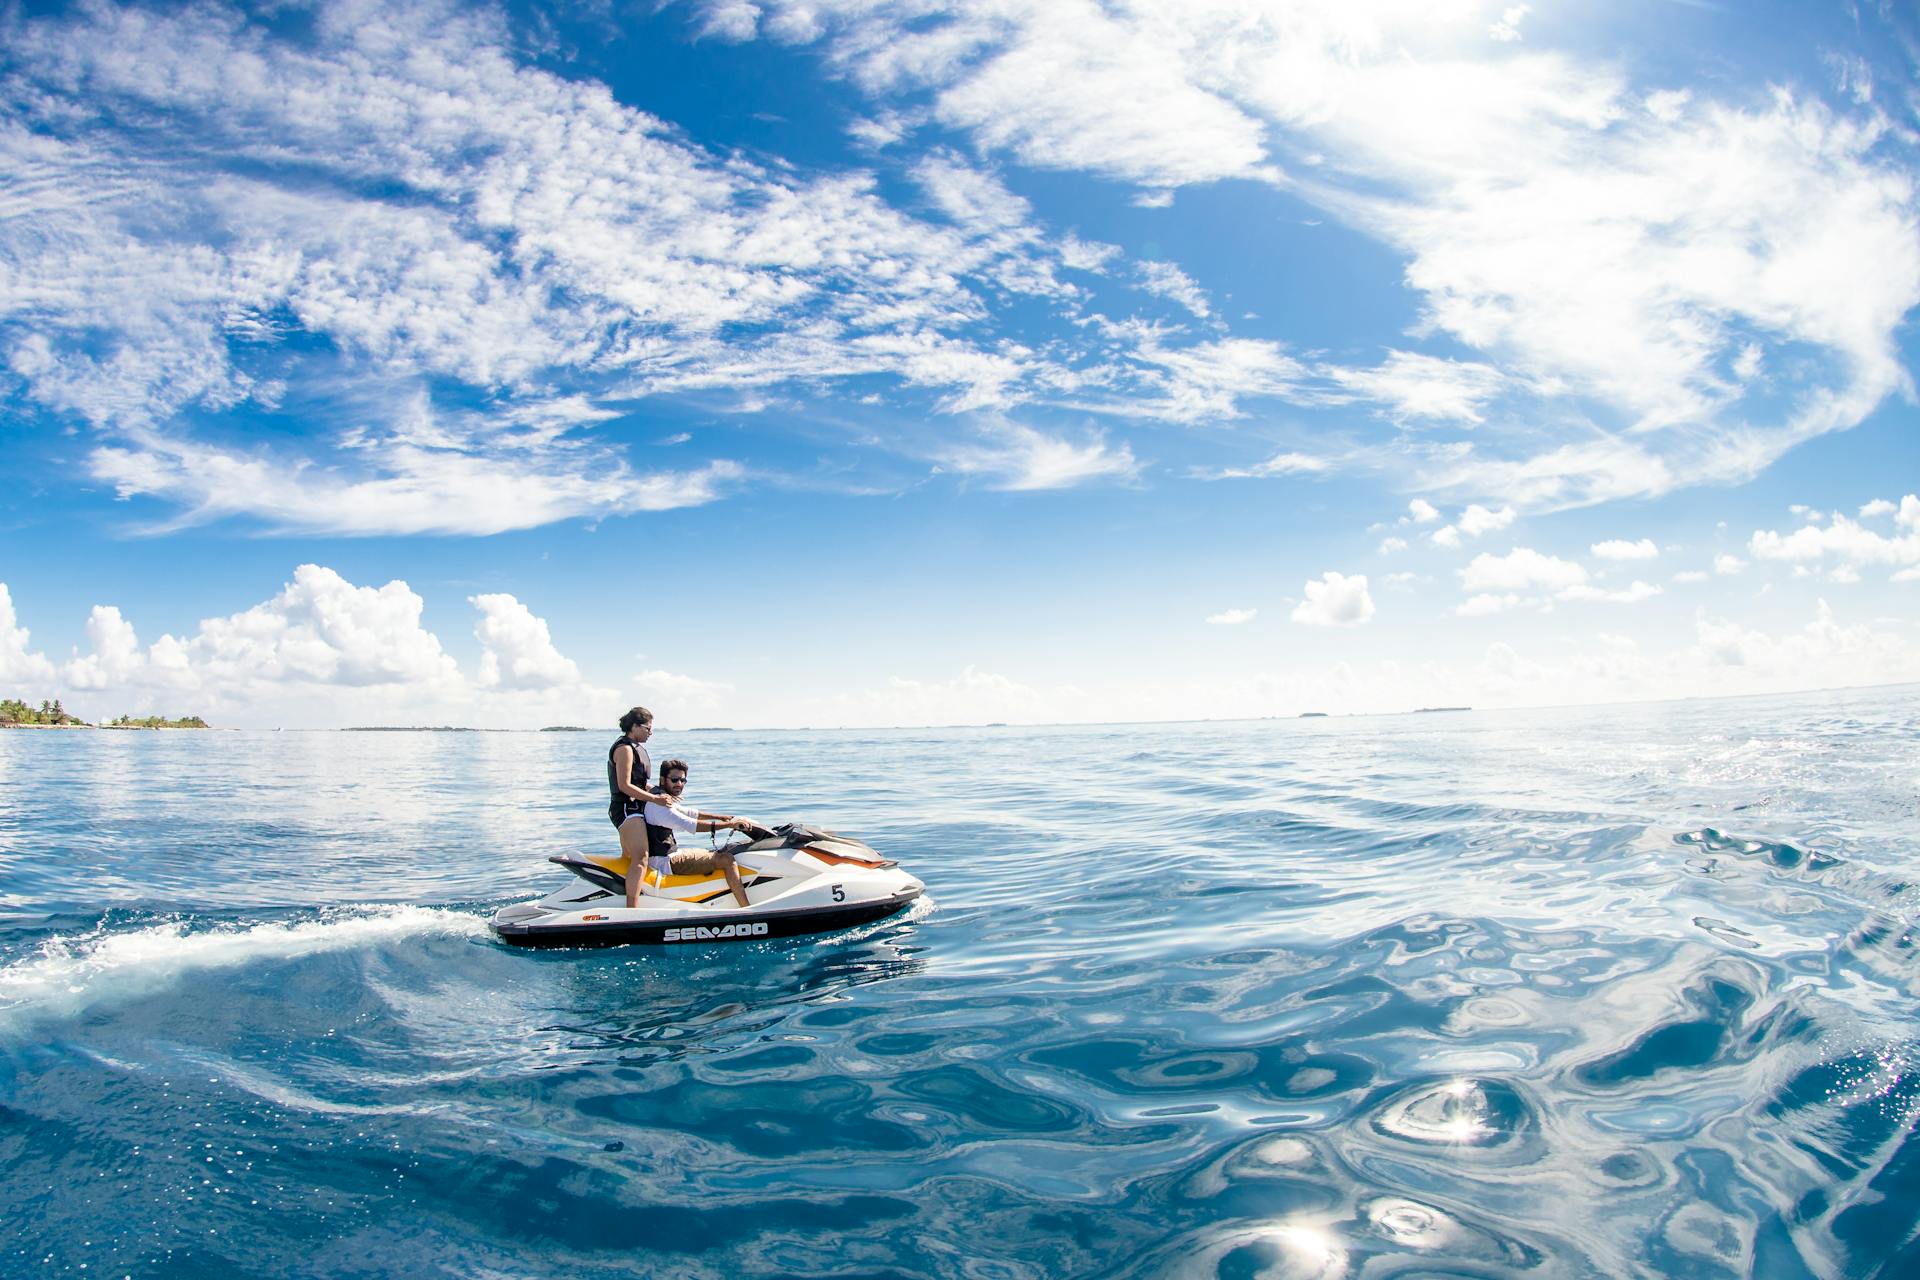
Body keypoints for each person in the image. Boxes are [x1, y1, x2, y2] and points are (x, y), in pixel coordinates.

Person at [634, 758, 758, 909]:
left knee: (721, 851)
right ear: (662, 780)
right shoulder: (659, 805)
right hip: (664, 862)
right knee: (727, 859)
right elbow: (690, 824)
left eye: (683, 780)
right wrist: (729, 825)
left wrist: (720, 817)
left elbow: (688, 813)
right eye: (674, 779)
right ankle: (746, 909)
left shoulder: (659, 796)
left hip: (668, 855)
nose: (679, 784)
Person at [609, 706, 677, 882]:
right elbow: (625, 786)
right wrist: (655, 799)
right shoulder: (624, 749)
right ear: (634, 726)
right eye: (647, 728)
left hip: (634, 807)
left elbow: (640, 783)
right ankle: (632, 907)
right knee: (641, 858)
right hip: (625, 808)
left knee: (631, 857)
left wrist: (662, 793)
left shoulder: (635, 748)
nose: (650, 732)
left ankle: (628, 893)